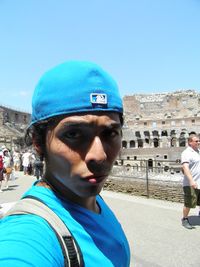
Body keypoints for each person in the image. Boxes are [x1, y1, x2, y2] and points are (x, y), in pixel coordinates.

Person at [0, 60, 130, 266]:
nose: (99, 155)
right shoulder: (29, 232)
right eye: (74, 134)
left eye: (110, 133)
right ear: (38, 143)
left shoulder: (93, 201)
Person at [181, 133, 200, 229]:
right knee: (189, 202)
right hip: (190, 183)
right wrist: (192, 181)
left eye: (199, 141)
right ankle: (185, 219)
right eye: (196, 141)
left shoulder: (198, 151)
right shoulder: (186, 153)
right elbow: (185, 167)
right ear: (190, 142)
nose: (198, 142)